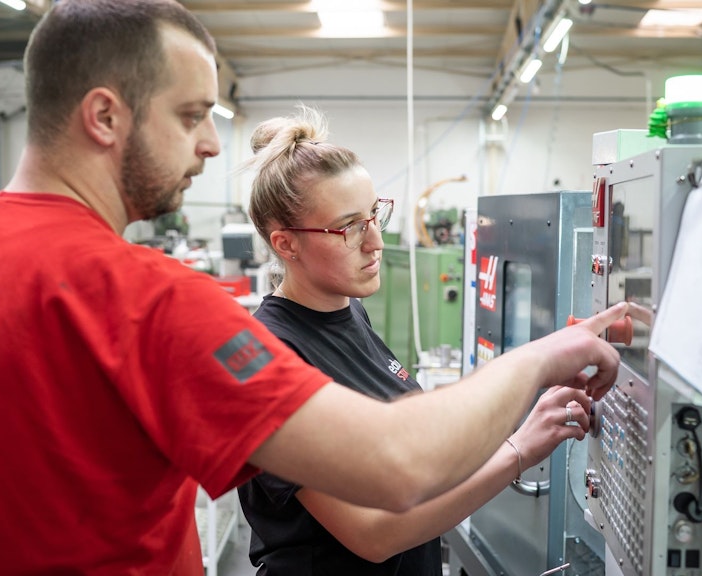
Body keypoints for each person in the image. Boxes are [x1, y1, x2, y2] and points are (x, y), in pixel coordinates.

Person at [0, 1, 628, 574]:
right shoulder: (143, 297)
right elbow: (395, 465)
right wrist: (542, 356)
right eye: (191, 115)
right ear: (105, 116)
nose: (211, 142)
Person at [238, 106, 596, 575]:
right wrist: (519, 450)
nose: (375, 242)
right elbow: (375, 534)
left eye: (374, 215)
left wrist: (513, 425)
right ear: (285, 244)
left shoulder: (349, 313)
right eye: (348, 227)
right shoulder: (270, 356)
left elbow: (409, 457)